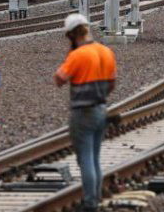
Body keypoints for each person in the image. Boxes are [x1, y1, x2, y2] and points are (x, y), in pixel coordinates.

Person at [54, 13, 117, 212]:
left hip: (82, 113)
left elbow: (59, 79)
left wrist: (70, 54)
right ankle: (95, 197)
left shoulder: (77, 55)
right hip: (101, 108)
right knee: (95, 157)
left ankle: (90, 203)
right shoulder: (105, 51)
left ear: (72, 35)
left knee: (86, 159)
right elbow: (112, 81)